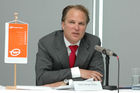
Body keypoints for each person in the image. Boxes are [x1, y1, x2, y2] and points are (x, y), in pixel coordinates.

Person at [35, 4, 104, 87]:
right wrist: (77, 72)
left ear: (86, 26)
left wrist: (65, 83)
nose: (76, 28)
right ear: (63, 25)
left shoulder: (93, 42)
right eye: (72, 22)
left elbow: (97, 79)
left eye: (81, 23)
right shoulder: (47, 43)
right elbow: (42, 78)